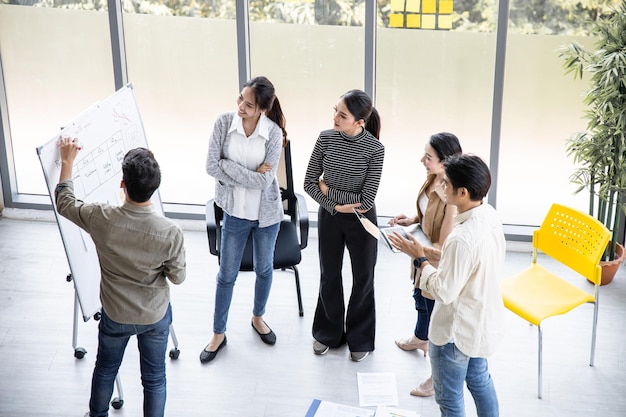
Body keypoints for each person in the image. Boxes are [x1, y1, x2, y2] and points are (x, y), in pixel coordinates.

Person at [55, 139, 186, 417]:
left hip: (115, 314)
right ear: (156, 186)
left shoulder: (101, 217)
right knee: (154, 379)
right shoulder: (170, 232)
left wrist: (66, 162)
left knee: (105, 369)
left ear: (122, 184)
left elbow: (65, 203)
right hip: (154, 316)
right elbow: (178, 277)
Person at [388, 154, 505, 417]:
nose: (442, 187)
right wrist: (428, 253)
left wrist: (419, 260)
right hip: (480, 323)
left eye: (447, 184)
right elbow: (467, 265)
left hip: (454, 333)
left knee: (450, 401)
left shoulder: (459, 238)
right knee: (480, 380)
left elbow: (444, 290)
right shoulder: (489, 216)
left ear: (462, 192)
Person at [201, 75, 288, 363]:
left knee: (265, 269)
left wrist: (231, 167)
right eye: (240, 98)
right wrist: (250, 174)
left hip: (266, 217)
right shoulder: (223, 123)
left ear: (262, 109)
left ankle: (258, 317)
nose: (240, 106)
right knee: (226, 275)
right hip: (234, 213)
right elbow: (212, 166)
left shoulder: (274, 134)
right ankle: (218, 333)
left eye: (248, 105)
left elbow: (265, 184)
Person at [303, 89, 385, 362]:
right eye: (335, 111)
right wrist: (335, 205)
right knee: (329, 274)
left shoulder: (375, 149)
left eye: (343, 115)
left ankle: (360, 338)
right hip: (330, 217)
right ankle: (328, 333)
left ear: (360, 121)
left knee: (363, 278)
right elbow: (309, 183)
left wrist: (329, 193)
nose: (335, 118)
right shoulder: (325, 138)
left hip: (362, 221)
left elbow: (366, 200)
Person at [389, 132, 462, 397]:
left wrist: (414, 249)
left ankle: (436, 378)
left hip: (434, 265)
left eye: (428, 157)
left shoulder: (452, 199)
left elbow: (442, 251)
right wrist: (410, 221)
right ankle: (420, 339)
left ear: (445, 162)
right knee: (419, 298)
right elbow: (426, 215)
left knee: (437, 321)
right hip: (421, 257)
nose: (422, 160)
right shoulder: (432, 179)